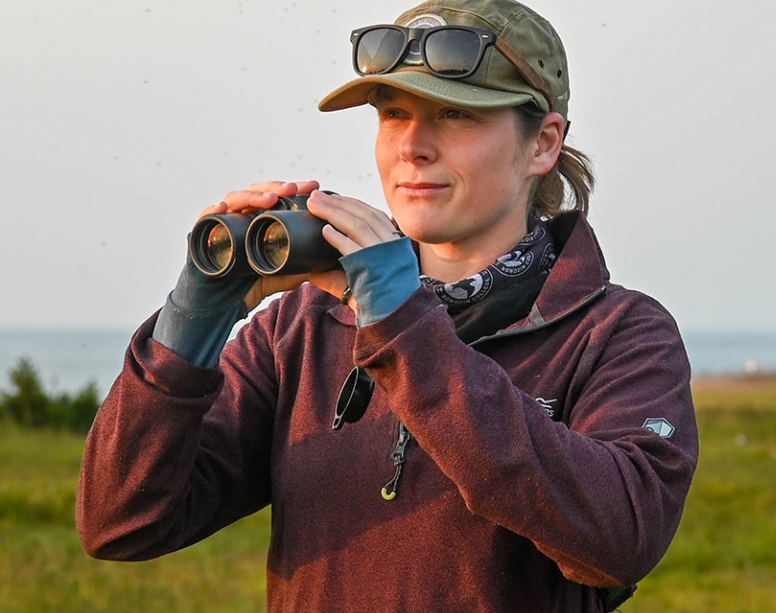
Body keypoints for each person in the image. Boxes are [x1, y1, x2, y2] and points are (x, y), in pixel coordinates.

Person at [76, 0, 699, 610]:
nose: (413, 147)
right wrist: (194, 321)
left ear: (542, 144)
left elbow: (619, 541)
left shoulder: (617, 334)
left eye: (455, 115)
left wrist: (400, 324)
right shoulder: (303, 326)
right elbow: (123, 520)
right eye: (394, 113)